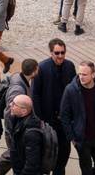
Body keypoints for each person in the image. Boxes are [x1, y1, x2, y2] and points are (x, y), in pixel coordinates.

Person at [32, 39, 76, 175]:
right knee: (46, 153)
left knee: (64, 153)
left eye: (63, 52)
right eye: (57, 53)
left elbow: (75, 90)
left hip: (64, 120)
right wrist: (40, 120)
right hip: (48, 121)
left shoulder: (69, 66)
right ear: (51, 53)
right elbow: (35, 95)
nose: (60, 56)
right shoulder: (42, 68)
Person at [59, 61, 95, 175]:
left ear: (93, 75)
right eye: (79, 74)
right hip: (82, 139)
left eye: (84, 74)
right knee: (86, 170)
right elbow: (64, 115)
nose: (81, 77)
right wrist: (72, 138)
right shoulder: (70, 90)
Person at [5, 95, 45, 175]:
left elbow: (32, 164)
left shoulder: (32, 133)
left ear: (24, 111)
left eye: (14, 104)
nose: (10, 105)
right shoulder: (17, 120)